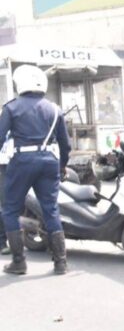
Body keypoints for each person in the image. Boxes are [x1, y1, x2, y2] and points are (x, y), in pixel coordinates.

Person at [0, 65, 71, 275]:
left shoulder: (11, 108)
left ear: (20, 83)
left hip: (22, 161)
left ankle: (19, 262)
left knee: (11, 209)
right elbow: (65, 144)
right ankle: (61, 262)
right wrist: (62, 165)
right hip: (49, 161)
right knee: (50, 209)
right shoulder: (54, 108)